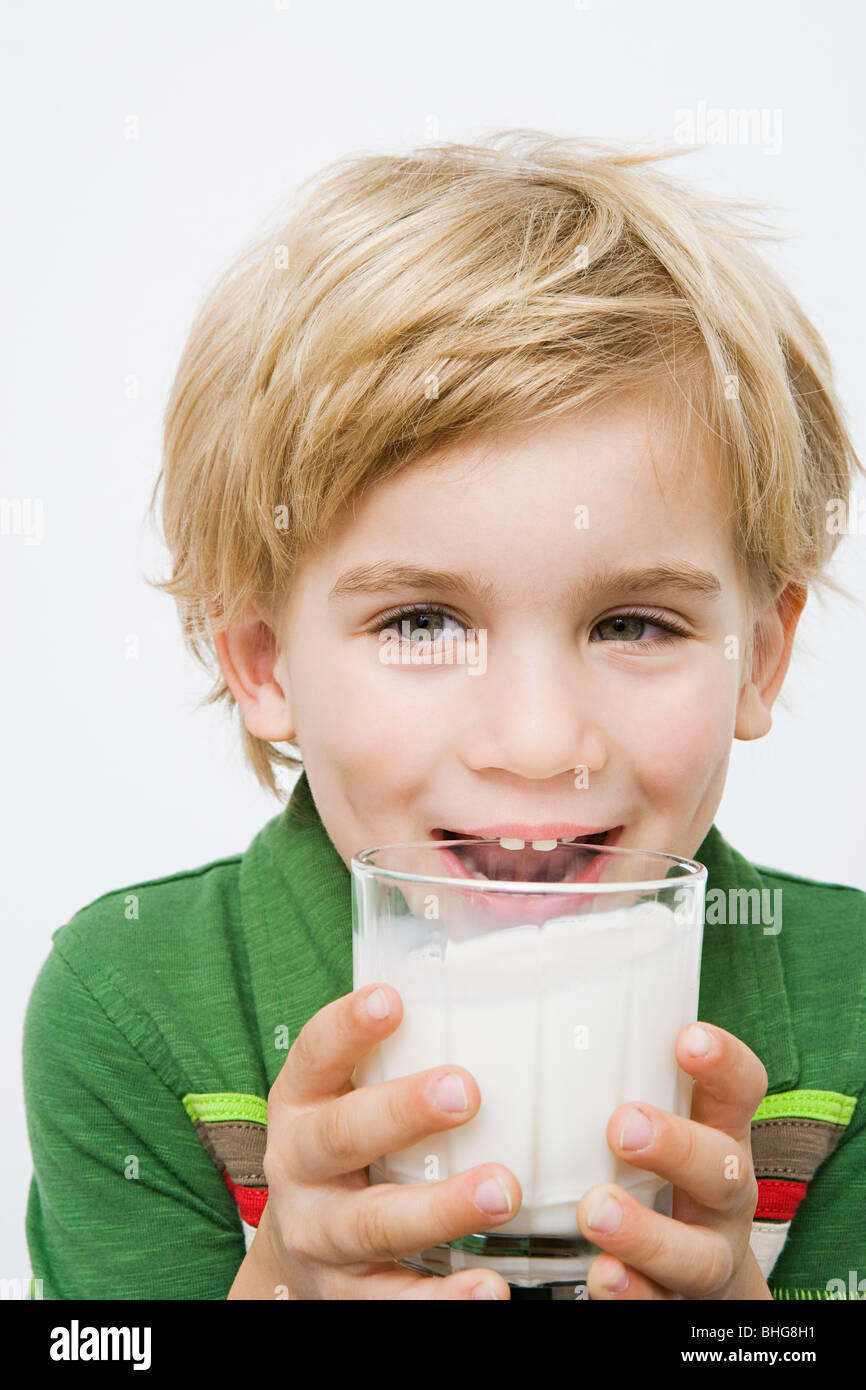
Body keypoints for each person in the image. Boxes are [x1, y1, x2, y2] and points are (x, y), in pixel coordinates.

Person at [23, 131, 866, 1300]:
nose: (535, 743)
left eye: (632, 624)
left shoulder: (852, 1015)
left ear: (757, 659)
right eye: (420, 623)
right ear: (263, 660)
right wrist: (277, 1284)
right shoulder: (138, 1003)